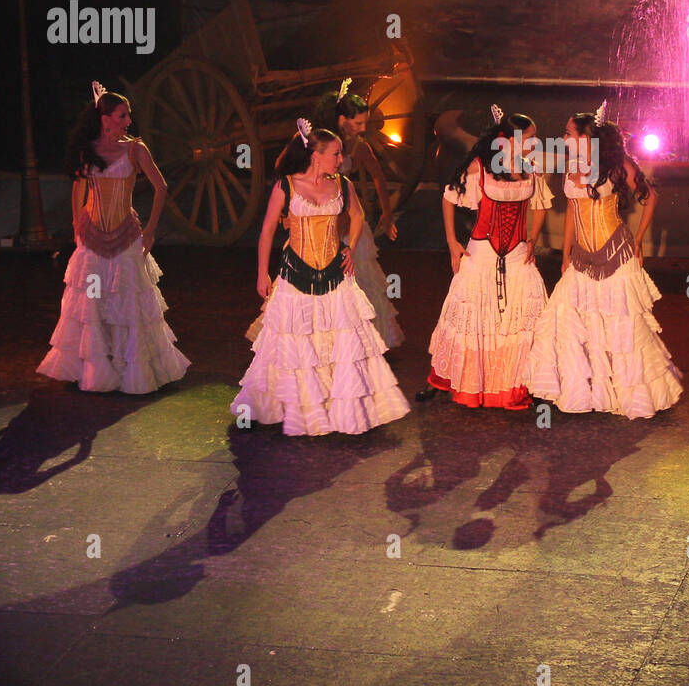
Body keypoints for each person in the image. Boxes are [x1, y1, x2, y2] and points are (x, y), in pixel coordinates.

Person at [233, 119, 410, 436]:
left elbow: (357, 216)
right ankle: (297, 407)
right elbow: (267, 232)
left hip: (334, 271)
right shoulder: (286, 186)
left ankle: (335, 406)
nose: (340, 160)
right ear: (316, 155)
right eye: (336, 154)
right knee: (294, 342)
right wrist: (262, 273)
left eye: (341, 154)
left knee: (340, 340)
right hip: (295, 273)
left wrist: (351, 248)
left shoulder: (342, 184)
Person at [529, 105, 683, 418]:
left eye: (569, 132)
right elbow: (573, 211)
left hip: (616, 252)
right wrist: (566, 251)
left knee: (621, 324)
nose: (563, 136)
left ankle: (627, 393)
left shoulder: (617, 164)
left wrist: (638, 240)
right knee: (570, 319)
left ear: (588, 137)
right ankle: (586, 391)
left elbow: (650, 196)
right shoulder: (571, 166)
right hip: (582, 258)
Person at [38, 82, 190, 393]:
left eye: (128, 116)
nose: (128, 121)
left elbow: (161, 187)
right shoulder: (89, 149)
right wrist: (76, 222)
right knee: (92, 303)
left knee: (128, 301)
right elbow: (79, 187)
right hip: (93, 234)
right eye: (122, 116)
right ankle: (96, 367)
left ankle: (128, 367)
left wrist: (150, 229)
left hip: (125, 233)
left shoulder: (136, 148)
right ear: (105, 118)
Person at [417, 106, 553, 409]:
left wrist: (533, 237)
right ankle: (447, 380)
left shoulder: (530, 168)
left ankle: (516, 382)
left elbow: (541, 203)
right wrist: (452, 241)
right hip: (481, 252)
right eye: (529, 138)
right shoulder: (480, 167)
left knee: (521, 320)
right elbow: (449, 196)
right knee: (469, 319)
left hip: (518, 254)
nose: (534, 144)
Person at [310, 79, 403, 349]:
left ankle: (361, 340)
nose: (363, 129)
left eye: (365, 124)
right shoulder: (317, 143)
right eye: (358, 123)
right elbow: (288, 170)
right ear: (342, 120)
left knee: (359, 277)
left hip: (347, 218)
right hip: (320, 219)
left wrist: (387, 214)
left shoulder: (360, 147)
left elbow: (378, 177)